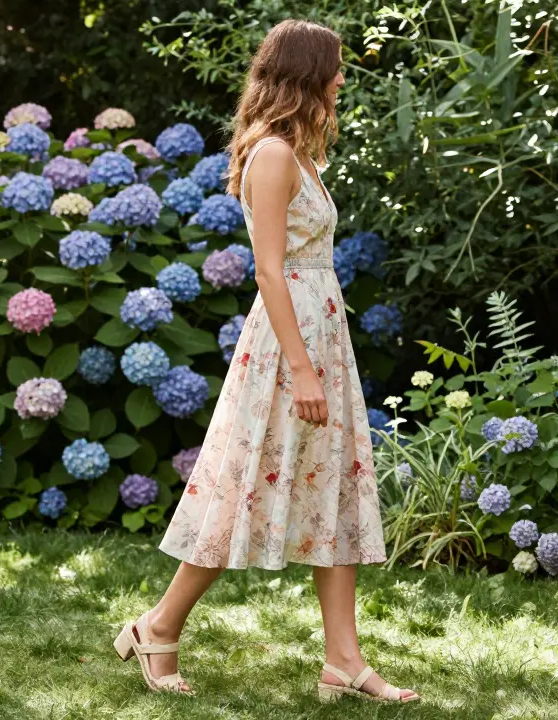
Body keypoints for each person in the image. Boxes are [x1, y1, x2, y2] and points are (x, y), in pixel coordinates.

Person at [112, 19, 419, 703]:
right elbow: (270, 271)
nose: (343, 78)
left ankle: (343, 659)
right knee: (243, 491)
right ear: (309, 74)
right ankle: (158, 627)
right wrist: (303, 368)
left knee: (335, 490)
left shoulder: (302, 155)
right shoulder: (275, 155)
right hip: (288, 348)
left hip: (321, 334)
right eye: (336, 67)